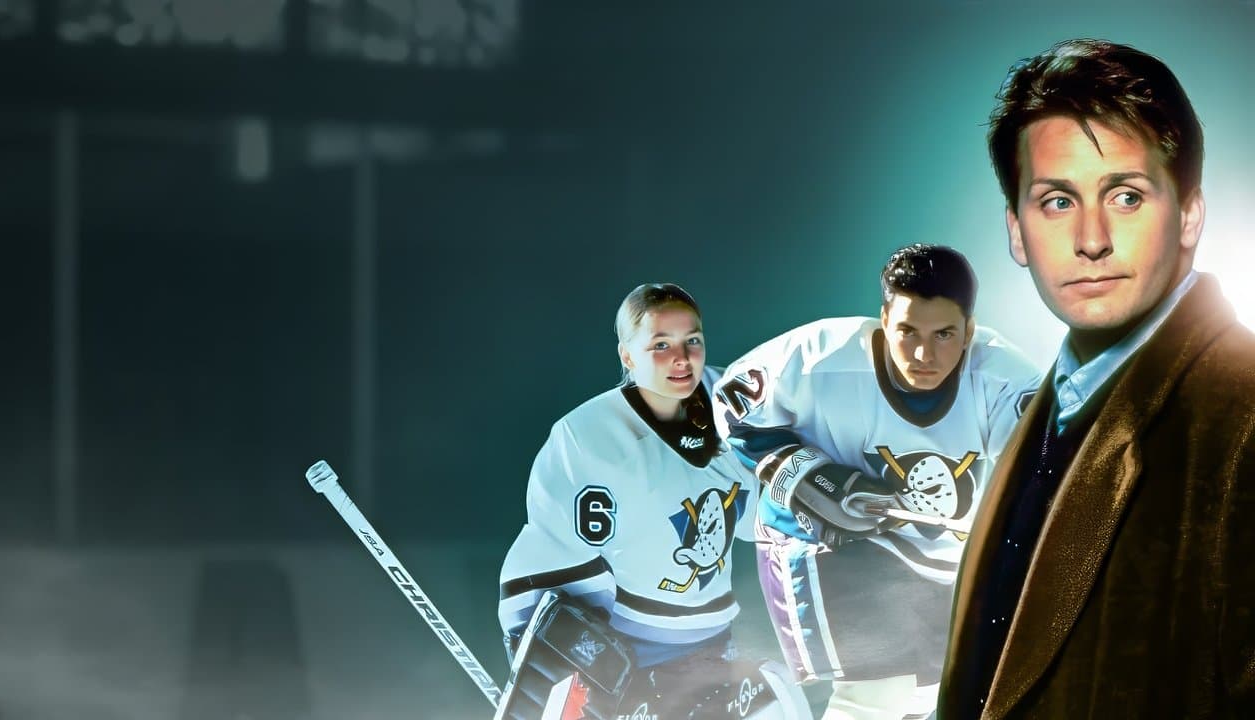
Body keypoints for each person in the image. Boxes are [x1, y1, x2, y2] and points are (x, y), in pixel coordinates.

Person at [938, 39, 1255, 719]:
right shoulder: (1049, 403)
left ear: (1190, 215)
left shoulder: (1244, 416)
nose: (1091, 239)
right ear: (1016, 231)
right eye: (1057, 201)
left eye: (1126, 196)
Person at [714, 244, 1041, 720]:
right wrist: (811, 479)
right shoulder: (817, 358)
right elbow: (731, 410)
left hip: (932, 554)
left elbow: (1050, 472)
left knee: (929, 697)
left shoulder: (1004, 382)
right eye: (908, 331)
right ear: (884, 320)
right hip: (818, 539)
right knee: (876, 695)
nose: (924, 354)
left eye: (944, 334)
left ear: (969, 331)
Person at [496, 283, 812, 720]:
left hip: (714, 644)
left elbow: (766, 518)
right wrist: (545, 667)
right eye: (661, 345)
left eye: (692, 340)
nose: (682, 358)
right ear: (627, 355)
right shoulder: (588, 437)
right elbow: (546, 559)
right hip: (628, 658)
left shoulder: (737, 405)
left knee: (779, 704)